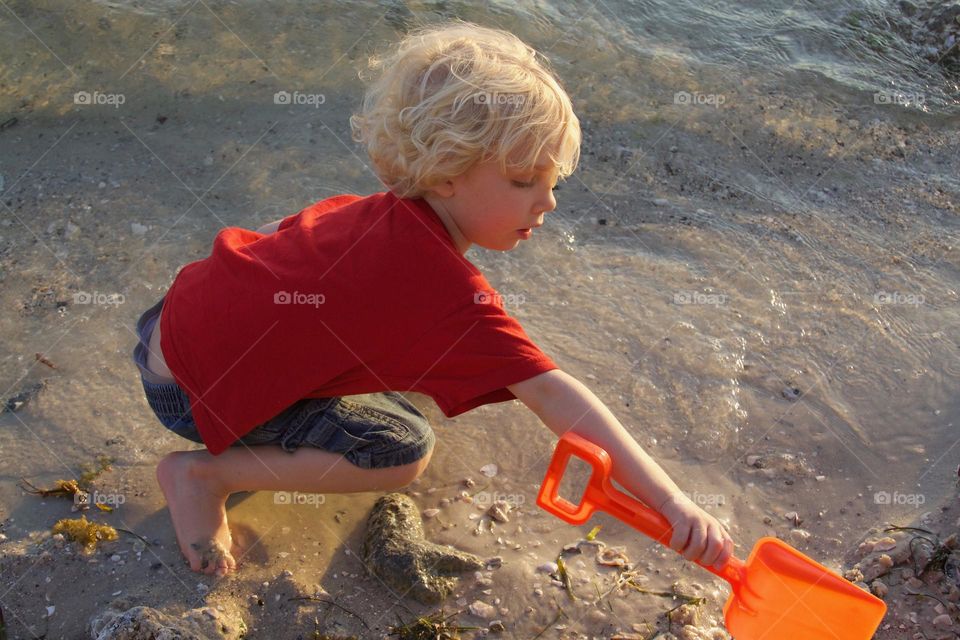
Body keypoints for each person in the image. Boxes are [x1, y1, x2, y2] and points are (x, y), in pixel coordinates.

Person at [131, 20, 734, 578]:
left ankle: (248, 437)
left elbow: (279, 260)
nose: (545, 203)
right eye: (524, 181)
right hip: (188, 394)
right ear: (447, 172)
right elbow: (554, 394)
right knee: (403, 449)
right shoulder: (442, 290)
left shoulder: (372, 214)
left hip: (167, 327)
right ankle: (203, 477)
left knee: (373, 376)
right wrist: (672, 503)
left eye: (552, 184)